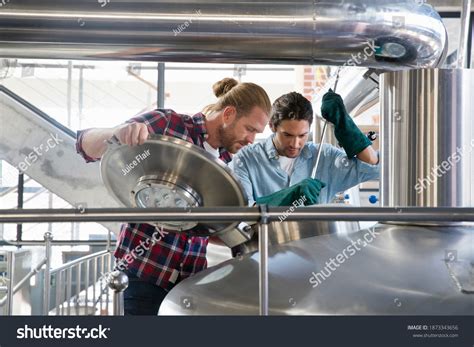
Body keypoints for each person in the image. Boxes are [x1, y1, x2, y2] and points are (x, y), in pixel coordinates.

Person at [75, 77, 271, 315]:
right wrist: (118, 133)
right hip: (144, 275)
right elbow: (84, 143)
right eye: (249, 129)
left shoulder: (225, 163)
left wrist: (254, 237)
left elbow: (206, 228)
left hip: (191, 282)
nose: (251, 140)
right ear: (228, 114)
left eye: (257, 134)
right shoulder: (168, 124)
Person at [229, 90, 379, 207]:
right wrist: (287, 196)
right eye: (287, 135)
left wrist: (345, 127)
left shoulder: (325, 157)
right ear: (272, 126)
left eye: (302, 135)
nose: (295, 144)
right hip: (266, 245)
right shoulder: (246, 159)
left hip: (315, 245)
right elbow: (243, 216)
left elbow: (375, 168)